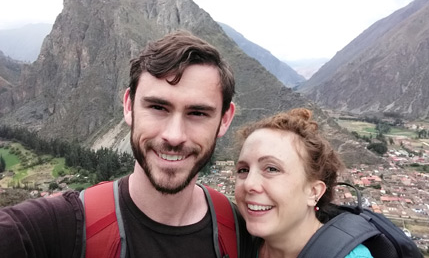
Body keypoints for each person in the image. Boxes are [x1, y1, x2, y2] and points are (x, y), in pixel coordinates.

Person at [0, 30, 251, 257]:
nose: (174, 136)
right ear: (129, 106)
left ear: (225, 119)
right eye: (157, 107)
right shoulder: (66, 226)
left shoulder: (242, 235)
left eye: (197, 113)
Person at [234, 108, 373, 258]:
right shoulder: (235, 243)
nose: (249, 184)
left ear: (313, 191)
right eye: (243, 170)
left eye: (272, 169)